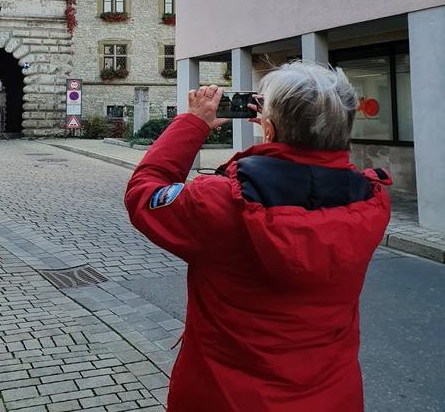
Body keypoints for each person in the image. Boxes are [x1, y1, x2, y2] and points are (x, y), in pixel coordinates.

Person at [124, 61, 391, 412]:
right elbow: (320, 170)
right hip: (332, 396)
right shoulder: (370, 200)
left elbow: (144, 193)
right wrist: (283, 132)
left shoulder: (220, 202)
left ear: (269, 125)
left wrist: (193, 123)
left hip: (225, 396)